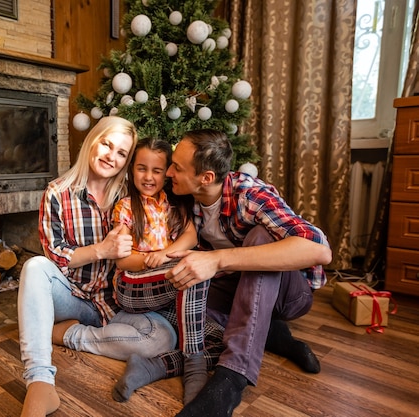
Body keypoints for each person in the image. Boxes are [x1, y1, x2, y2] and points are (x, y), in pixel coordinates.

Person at [115, 129, 332, 416]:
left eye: (176, 168)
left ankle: (231, 379)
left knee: (260, 237)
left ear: (205, 177)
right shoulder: (184, 198)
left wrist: (218, 259)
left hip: (288, 295)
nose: (168, 173)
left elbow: (320, 250)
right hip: (233, 289)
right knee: (191, 309)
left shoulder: (250, 195)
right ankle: (271, 336)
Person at [17, 116, 177, 417]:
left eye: (121, 153)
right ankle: (40, 381)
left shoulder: (134, 195)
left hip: (117, 304)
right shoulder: (58, 193)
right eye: (107, 144)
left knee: (162, 337)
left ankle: (67, 336)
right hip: (71, 297)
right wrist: (101, 250)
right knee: (35, 267)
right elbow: (55, 255)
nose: (111, 157)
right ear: (93, 140)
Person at [110, 137, 213, 404]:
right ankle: (194, 365)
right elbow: (122, 261)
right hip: (131, 286)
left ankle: (148, 368)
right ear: (132, 169)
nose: (148, 177)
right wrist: (150, 260)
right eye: (141, 168)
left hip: (164, 287)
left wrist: (164, 255)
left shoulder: (173, 203)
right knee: (194, 264)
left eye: (156, 170)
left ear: (167, 172)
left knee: (221, 337)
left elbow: (190, 236)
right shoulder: (125, 207)